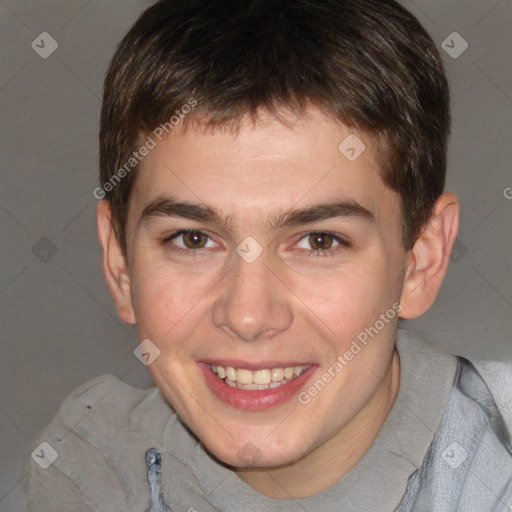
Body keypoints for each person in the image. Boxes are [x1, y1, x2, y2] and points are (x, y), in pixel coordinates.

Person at [22, 0, 512, 510]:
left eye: (319, 241)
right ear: (120, 264)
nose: (249, 316)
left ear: (421, 261)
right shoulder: (90, 470)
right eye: (193, 239)